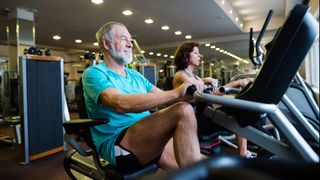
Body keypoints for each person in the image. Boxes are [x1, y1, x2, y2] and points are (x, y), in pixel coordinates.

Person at [82, 22, 205, 173]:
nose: (130, 44)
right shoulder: (94, 73)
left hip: (146, 134)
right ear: (107, 44)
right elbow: (120, 103)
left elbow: (164, 97)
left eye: (130, 40)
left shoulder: (134, 75)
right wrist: (176, 92)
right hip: (119, 144)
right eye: (123, 39)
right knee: (183, 110)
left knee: (206, 165)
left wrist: (195, 95)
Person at [172, 42, 251, 157]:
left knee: (240, 109)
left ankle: (244, 152)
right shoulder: (180, 75)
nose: (200, 56)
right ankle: (243, 154)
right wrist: (205, 80)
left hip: (206, 114)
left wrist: (237, 83)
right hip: (195, 119)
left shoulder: (195, 76)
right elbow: (191, 84)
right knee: (239, 114)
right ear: (185, 56)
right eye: (195, 53)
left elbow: (214, 92)